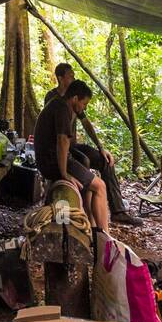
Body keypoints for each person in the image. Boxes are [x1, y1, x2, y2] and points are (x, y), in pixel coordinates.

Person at [42, 62, 142, 227]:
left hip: (72, 144)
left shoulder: (76, 98)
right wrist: (63, 170)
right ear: (60, 78)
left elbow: (86, 123)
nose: (73, 78)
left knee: (105, 161)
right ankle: (87, 211)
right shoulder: (55, 99)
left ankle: (118, 211)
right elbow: (60, 138)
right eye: (70, 76)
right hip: (59, 149)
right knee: (85, 162)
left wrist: (101, 148)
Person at [34, 79, 112, 233]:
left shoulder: (59, 104)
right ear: (75, 98)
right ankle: (106, 238)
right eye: (84, 103)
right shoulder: (62, 109)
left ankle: (93, 227)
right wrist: (64, 174)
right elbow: (62, 142)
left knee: (89, 186)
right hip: (52, 162)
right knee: (100, 187)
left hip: (49, 160)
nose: (84, 107)